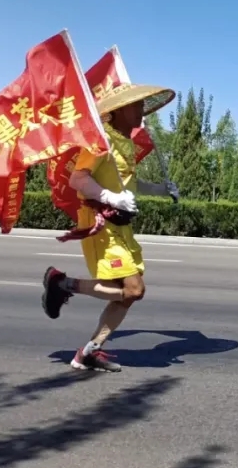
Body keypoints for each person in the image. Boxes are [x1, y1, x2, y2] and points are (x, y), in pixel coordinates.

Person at [40, 81, 179, 372]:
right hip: (100, 222)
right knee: (134, 290)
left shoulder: (124, 142)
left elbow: (129, 182)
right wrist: (110, 197)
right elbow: (78, 179)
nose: (141, 110)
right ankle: (62, 283)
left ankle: (89, 352)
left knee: (126, 294)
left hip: (121, 224)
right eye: (135, 105)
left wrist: (160, 189)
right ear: (118, 111)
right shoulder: (100, 142)